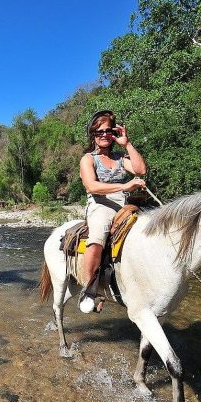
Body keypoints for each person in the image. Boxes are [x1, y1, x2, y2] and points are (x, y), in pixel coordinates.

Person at [79, 110, 147, 313]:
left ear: (114, 133)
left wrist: (126, 144)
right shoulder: (88, 159)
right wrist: (125, 187)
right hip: (101, 204)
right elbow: (92, 186)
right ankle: (90, 290)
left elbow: (141, 170)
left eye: (108, 131)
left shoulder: (120, 157)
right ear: (93, 134)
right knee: (98, 236)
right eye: (99, 131)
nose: (104, 134)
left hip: (125, 205)